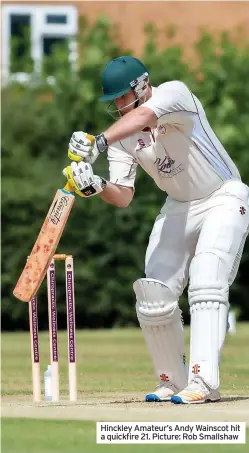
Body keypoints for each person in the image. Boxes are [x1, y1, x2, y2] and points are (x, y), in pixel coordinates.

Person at [63, 56, 249, 404]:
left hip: (223, 195)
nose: (119, 106)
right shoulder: (123, 138)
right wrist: (98, 184)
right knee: (153, 294)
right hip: (179, 206)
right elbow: (123, 197)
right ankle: (173, 381)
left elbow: (146, 116)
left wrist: (97, 142)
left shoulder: (175, 94)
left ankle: (204, 382)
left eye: (122, 97)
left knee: (207, 278)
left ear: (142, 85)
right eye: (113, 100)